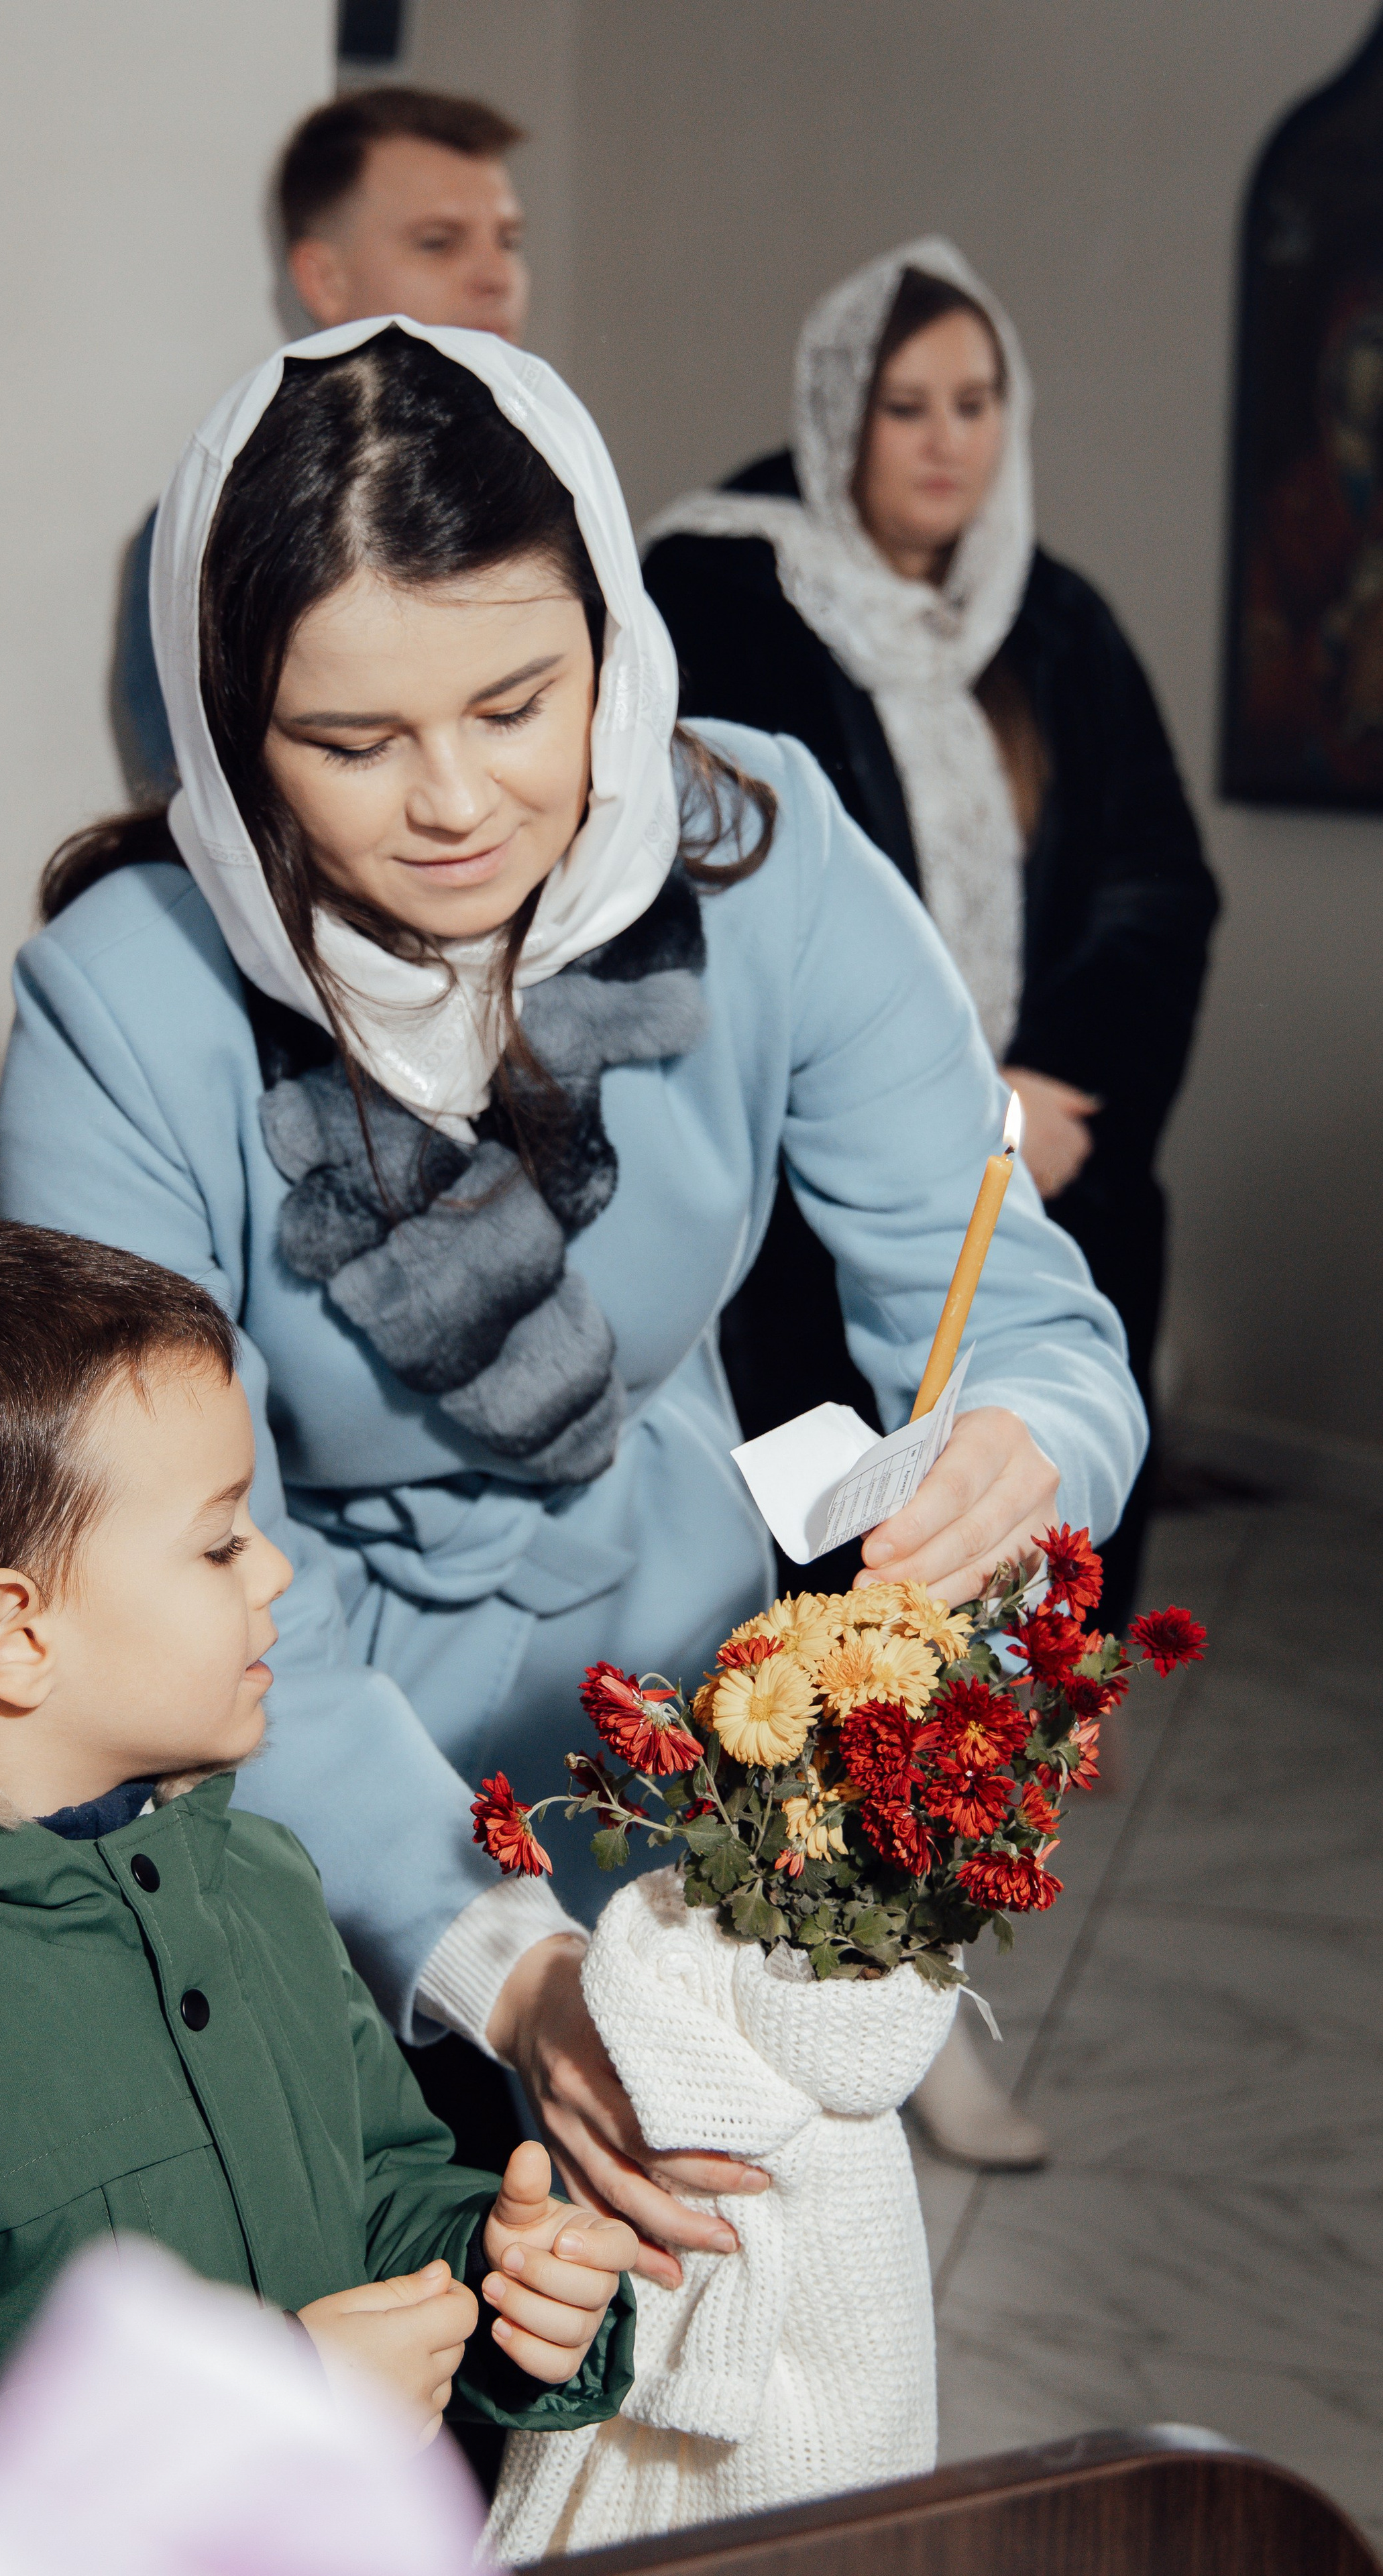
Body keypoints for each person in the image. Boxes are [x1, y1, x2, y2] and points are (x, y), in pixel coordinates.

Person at [0, 319, 1146, 2284]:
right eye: (347, 743)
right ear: (220, 725)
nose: (454, 800)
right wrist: (494, 1954)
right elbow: (162, 1570)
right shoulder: (128, 1002)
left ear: (613, 639)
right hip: (278, 1753)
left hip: (685, 1718)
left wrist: (1023, 1435)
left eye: (520, 702)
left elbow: (1005, 1296)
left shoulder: (759, 848)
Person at [0, 1213, 636, 2508]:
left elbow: (382, 2188)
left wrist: (499, 2274)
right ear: (15, 1634)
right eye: (223, 1538)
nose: (279, 1569)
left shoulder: (255, 1880)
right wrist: (254, 2416)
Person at [643, 239, 1218, 2169]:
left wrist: (1056, 1098)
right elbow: (703, 902)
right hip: (807, 1214)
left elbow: (1156, 886)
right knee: (816, 1607)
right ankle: (761, 1977)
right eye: (907, 405)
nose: (947, 443)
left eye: (978, 404)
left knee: (981, 1621)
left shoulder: (1052, 618)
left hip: (1029, 1173)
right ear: (836, 418)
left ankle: (924, 1981)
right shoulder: (722, 590)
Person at [113, 87, 527, 801]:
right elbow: (212, 819)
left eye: (509, 241)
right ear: (323, 280)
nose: (496, 278)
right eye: (439, 242)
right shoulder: (219, 530)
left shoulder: (555, 493)